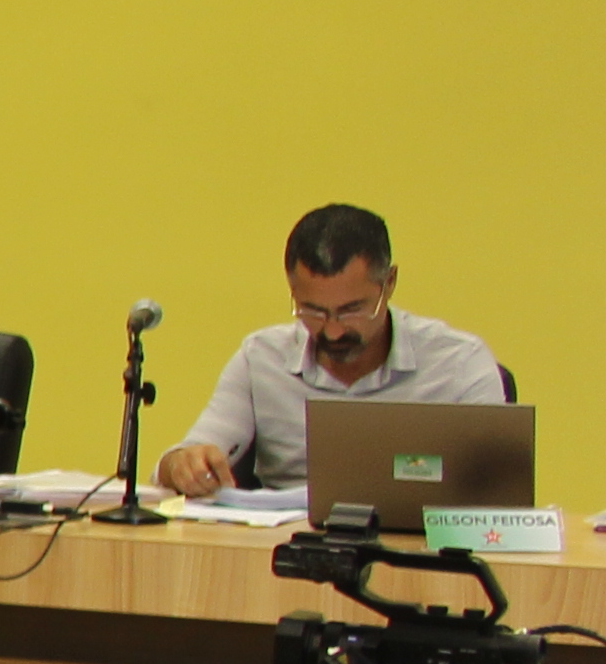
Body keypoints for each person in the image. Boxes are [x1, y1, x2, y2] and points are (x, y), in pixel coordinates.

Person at [159, 203, 513, 498]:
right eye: (312, 310)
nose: (333, 329)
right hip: (288, 551)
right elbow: (187, 456)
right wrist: (181, 466)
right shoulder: (261, 358)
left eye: (352, 310)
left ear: (388, 283)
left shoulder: (459, 362)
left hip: (420, 555)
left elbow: (500, 491)